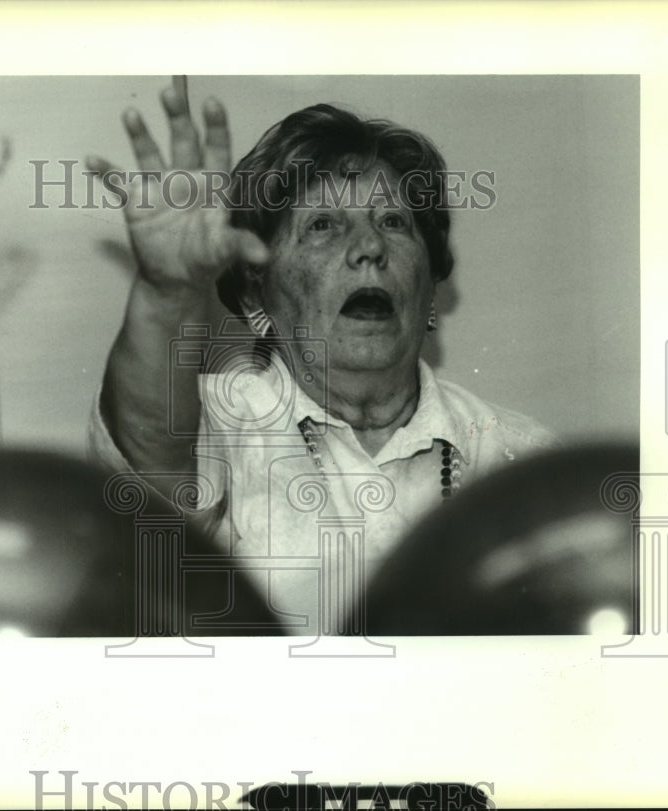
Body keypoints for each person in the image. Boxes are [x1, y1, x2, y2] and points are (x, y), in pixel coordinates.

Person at [85, 77, 556, 635]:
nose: (370, 248)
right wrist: (168, 293)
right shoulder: (215, 428)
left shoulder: (520, 457)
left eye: (393, 222)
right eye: (323, 226)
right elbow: (150, 451)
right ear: (258, 296)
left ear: (431, 288)